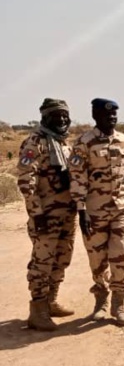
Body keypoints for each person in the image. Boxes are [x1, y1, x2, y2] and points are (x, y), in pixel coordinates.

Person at [69, 98, 124, 327]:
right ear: (96, 116)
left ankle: (119, 303)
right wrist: (80, 208)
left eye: (115, 114)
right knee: (97, 261)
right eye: (107, 115)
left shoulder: (123, 140)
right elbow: (77, 177)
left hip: (121, 208)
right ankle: (101, 297)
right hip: (94, 211)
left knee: (121, 254)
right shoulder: (84, 142)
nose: (112, 117)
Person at [17, 98, 77, 331]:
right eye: (56, 116)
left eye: (65, 115)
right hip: (45, 216)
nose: (62, 119)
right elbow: (26, 180)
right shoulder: (35, 142)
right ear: (44, 117)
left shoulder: (64, 143)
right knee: (42, 262)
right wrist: (36, 213)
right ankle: (37, 311)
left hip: (67, 214)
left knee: (62, 259)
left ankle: (51, 301)